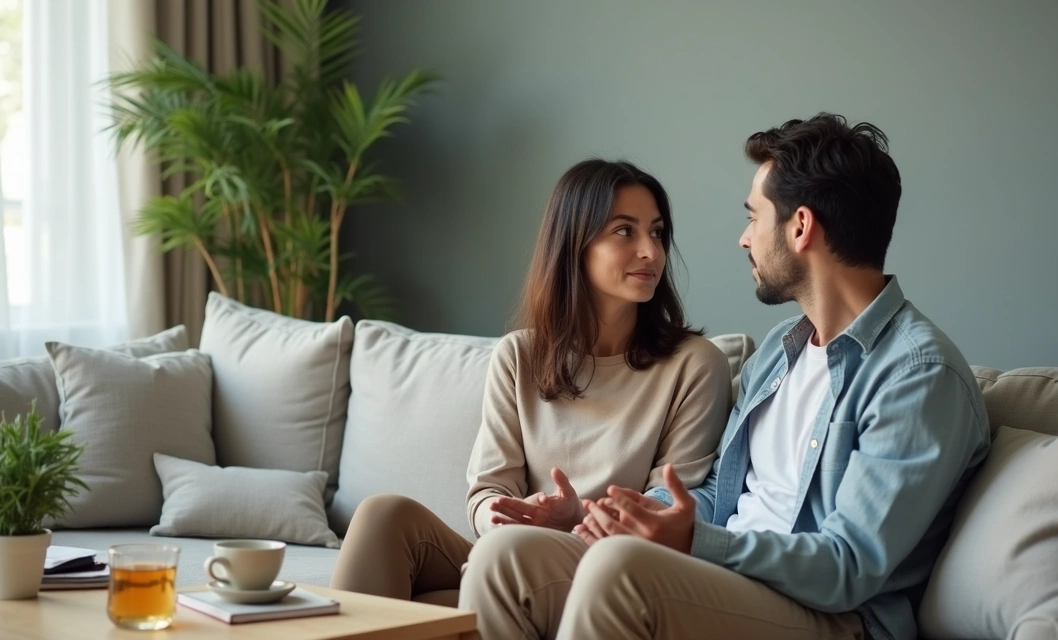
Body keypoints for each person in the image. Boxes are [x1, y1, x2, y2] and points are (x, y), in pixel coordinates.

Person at [458, 113, 991, 640]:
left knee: (619, 571)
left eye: (754, 217)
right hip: (728, 581)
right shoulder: (781, 352)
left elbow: (848, 567)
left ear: (800, 227)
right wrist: (623, 517)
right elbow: (717, 495)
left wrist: (697, 542)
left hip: (833, 617)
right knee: (506, 558)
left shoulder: (917, 375)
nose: (744, 239)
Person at [329, 158, 732, 606]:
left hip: (609, 566)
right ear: (575, 244)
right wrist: (509, 518)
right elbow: (489, 489)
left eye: (656, 233)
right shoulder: (519, 355)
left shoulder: (696, 365)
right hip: (511, 551)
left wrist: (574, 518)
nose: (651, 252)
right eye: (625, 231)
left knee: (489, 569)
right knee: (383, 515)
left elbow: (668, 507)